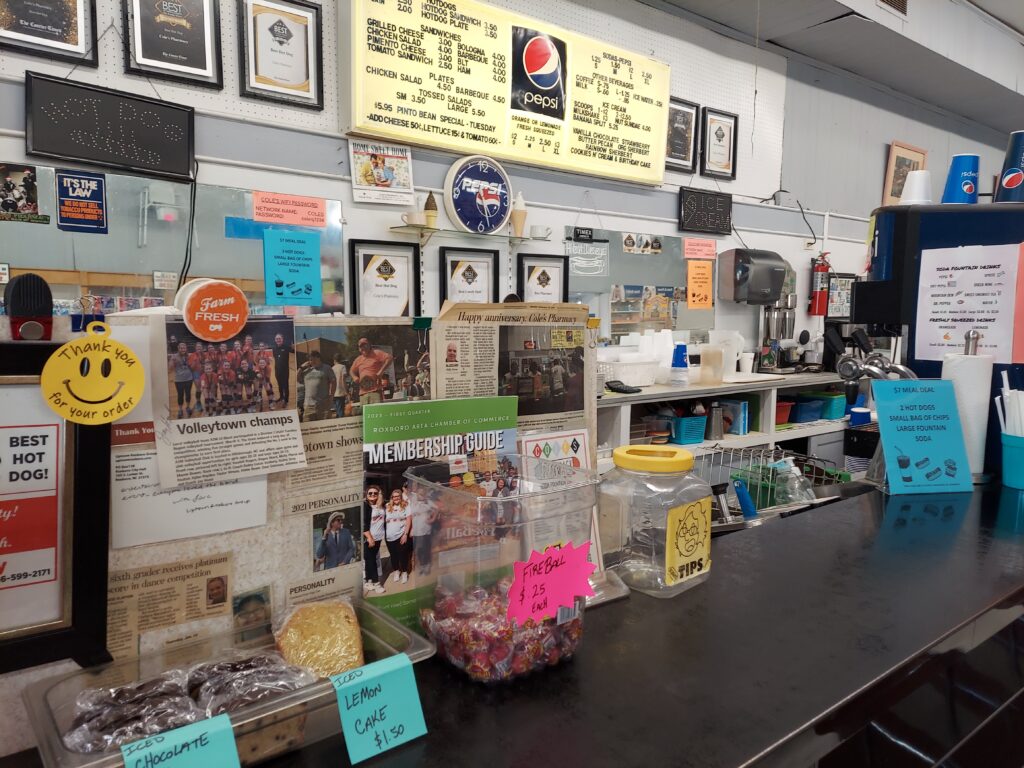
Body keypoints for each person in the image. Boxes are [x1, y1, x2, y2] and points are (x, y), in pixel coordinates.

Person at [349, 337, 393, 405]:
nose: (363, 347)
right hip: (363, 393)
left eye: (365, 345)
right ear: (359, 349)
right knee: (366, 414)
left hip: (375, 391)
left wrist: (381, 371)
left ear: (369, 345)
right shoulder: (358, 359)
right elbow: (351, 371)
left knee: (376, 413)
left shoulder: (376, 353)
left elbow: (389, 358)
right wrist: (354, 377)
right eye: (361, 346)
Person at [385, 488, 412, 584]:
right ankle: (396, 571)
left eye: (398, 496)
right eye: (394, 496)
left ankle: (404, 572)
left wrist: (405, 534)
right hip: (389, 536)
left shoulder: (406, 505)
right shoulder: (387, 506)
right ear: (391, 497)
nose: (396, 498)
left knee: (403, 555)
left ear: (401, 497)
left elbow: (409, 520)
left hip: (401, 535)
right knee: (393, 555)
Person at [300, 350, 336, 421]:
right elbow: (297, 378)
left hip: (323, 405)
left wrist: (331, 396)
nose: (311, 361)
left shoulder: (327, 368)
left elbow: (333, 381)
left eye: (313, 359)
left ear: (318, 358)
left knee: (325, 428)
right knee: (309, 429)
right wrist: (301, 367)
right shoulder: (307, 370)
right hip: (308, 406)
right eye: (310, 360)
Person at [363, 485, 386, 593]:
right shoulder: (365, 506)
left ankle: (368, 581)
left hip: (378, 537)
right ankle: (377, 583)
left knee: (369, 560)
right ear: (366, 495)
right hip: (369, 538)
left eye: (375, 493)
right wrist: (369, 538)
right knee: (371, 561)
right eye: (370, 493)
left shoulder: (381, 506)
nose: (372, 495)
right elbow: (363, 524)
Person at [409, 488, 436, 576]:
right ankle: (422, 565)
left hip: (426, 530)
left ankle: (426, 566)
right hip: (416, 531)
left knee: (425, 549)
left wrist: (432, 519)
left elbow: (436, 509)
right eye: (419, 494)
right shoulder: (413, 502)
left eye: (422, 494)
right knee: (419, 549)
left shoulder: (428, 502)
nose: (421, 495)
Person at [169, 342, 194, 418]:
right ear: (178, 348)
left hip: (189, 379)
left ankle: (188, 407)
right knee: (180, 395)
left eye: (184, 348)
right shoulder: (174, 356)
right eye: (181, 348)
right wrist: (172, 361)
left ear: (186, 348)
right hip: (179, 380)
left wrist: (193, 362)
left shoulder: (189, 356)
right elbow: (170, 368)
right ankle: (180, 410)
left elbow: (192, 367)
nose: (183, 349)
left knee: (188, 394)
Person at [272, 333, 293, 408]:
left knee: (285, 386)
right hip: (277, 371)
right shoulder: (274, 348)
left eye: (279, 338)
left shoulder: (286, 347)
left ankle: (286, 400)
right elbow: (275, 358)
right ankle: (281, 397)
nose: (278, 340)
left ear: (282, 339)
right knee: (280, 385)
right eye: (277, 339)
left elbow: (293, 351)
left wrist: (294, 346)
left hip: (285, 371)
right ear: (275, 340)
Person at [332, 353, 349, 418]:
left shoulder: (332, 368)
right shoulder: (342, 367)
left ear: (334, 360)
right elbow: (343, 380)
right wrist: (346, 391)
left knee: (337, 410)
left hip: (334, 392)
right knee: (341, 411)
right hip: (340, 392)